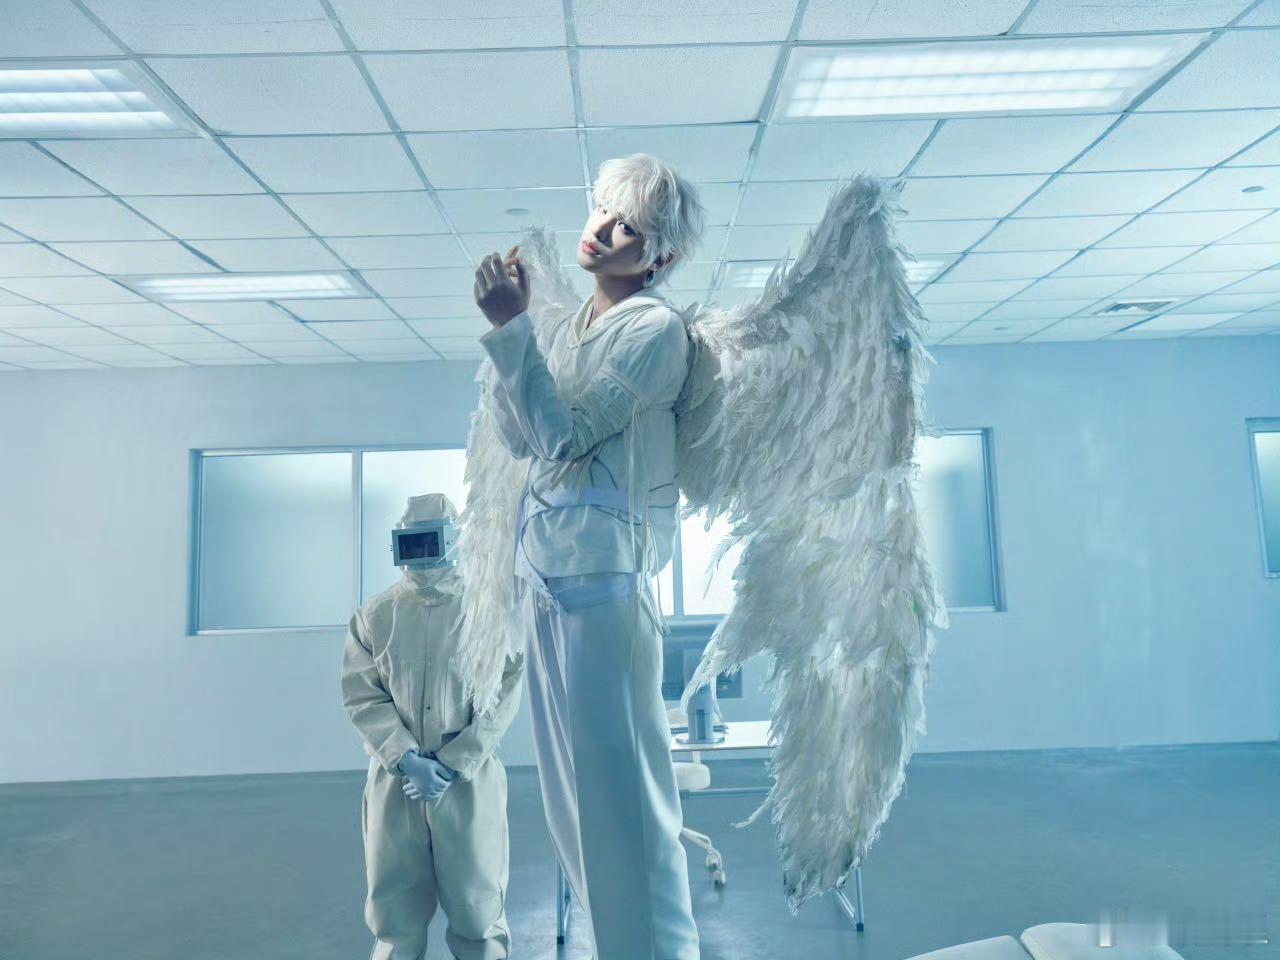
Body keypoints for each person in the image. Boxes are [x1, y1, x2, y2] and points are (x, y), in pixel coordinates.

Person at [473, 154, 706, 960]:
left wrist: (512, 334)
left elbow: (563, 438)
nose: (601, 231)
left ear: (659, 258)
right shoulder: (571, 328)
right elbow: (519, 439)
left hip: (603, 580)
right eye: (602, 209)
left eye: (627, 226)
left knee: (623, 800)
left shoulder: (654, 330)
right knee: (571, 802)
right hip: (546, 574)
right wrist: (512, 337)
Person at [341, 493, 524, 960]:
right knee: (393, 912)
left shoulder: (486, 613)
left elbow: (504, 694)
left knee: (478, 908)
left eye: (431, 541)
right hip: (396, 783)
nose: (422, 554)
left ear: (454, 540)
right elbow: (363, 695)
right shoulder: (376, 616)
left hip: (468, 782)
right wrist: (406, 759)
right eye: (412, 543)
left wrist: (454, 761)